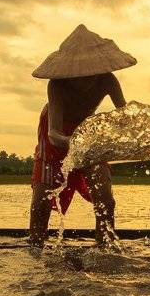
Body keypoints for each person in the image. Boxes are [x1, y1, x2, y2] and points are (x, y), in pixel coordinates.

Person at [28, 24, 134, 245]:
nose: (85, 79)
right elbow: (54, 134)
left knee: (105, 198)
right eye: (79, 75)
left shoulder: (107, 80)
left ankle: (105, 244)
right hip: (57, 133)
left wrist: (131, 136)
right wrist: (77, 143)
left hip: (87, 131)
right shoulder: (57, 86)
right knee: (42, 200)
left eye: (90, 73)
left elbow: (124, 116)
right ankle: (36, 243)